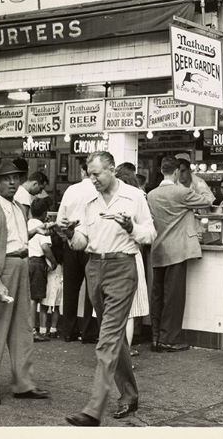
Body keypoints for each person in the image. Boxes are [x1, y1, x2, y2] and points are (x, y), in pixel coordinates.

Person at [60, 151, 156, 426]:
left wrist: (131, 227)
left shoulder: (134, 196)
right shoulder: (88, 199)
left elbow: (149, 234)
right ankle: (129, 394)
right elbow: (81, 241)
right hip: (95, 267)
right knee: (112, 337)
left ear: (111, 169)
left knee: (107, 340)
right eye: (89, 174)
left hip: (122, 267)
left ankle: (93, 409)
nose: (92, 179)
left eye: (96, 174)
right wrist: (70, 234)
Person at [0, 159, 52, 405]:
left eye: (15, 178)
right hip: (1, 268)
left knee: (22, 329)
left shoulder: (18, 207)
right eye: (6, 178)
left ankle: (23, 384)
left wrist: (37, 231)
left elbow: (14, 238)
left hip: (20, 266)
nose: (12, 182)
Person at [147, 156, 214, 353]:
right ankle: (170, 339)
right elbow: (208, 201)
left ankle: (155, 337)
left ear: (161, 170)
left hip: (158, 249)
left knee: (158, 295)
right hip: (177, 250)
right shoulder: (182, 192)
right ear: (176, 172)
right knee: (174, 298)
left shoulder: (151, 194)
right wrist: (198, 182)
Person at [56, 160, 98, 343]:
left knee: (70, 290)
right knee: (92, 291)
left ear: (82, 171)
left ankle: (69, 331)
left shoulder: (71, 191)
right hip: (92, 244)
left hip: (71, 242)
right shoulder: (99, 191)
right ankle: (88, 331)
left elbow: (60, 220)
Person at [115, 166, 151, 360]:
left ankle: (114, 354)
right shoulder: (139, 198)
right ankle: (125, 355)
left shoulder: (110, 199)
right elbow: (148, 232)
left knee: (114, 312)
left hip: (110, 256)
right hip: (131, 254)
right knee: (129, 311)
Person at [27, 198, 58, 342]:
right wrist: (53, 262)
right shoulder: (41, 227)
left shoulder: (27, 224)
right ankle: (33, 330)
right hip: (37, 262)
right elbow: (45, 248)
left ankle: (26, 328)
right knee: (35, 298)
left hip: (26, 260)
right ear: (45, 213)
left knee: (27, 297)